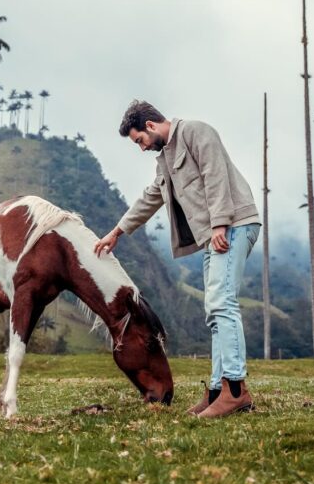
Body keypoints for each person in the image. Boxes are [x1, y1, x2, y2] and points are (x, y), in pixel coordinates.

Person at [93, 100, 261, 418]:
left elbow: (216, 176)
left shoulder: (197, 132)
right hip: (217, 232)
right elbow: (150, 197)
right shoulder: (165, 160)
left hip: (234, 224)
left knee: (222, 304)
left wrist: (220, 223)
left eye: (139, 140)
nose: (141, 147)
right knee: (215, 309)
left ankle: (236, 391)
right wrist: (117, 231)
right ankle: (216, 391)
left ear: (151, 126)